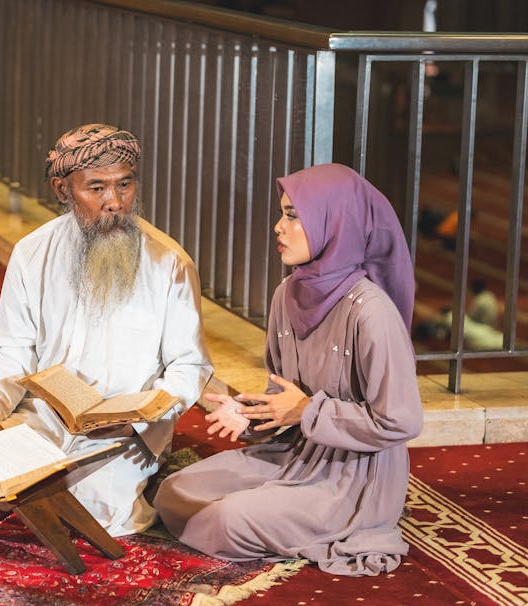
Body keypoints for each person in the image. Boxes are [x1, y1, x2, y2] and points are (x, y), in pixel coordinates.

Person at [0, 123, 213, 536]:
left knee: (99, 512)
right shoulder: (31, 253)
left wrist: (141, 418)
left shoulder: (170, 263)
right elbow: (15, 351)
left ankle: (149, 471)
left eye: (124, 185)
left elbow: (190, 366)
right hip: (43, 418)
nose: (115, 202)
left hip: (125, 433)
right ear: (62, 190)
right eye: (96, 188)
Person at [153, 163, 424, 576]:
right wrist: (248, 413)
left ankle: (318, 521)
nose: (279, 227)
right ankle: (276, 515)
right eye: (282, 214)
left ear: (335, 224)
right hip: (295, 454)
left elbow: (401, 420)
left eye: (293, 216)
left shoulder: (371, 312)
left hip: (353, 475)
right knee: (173, 493)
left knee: (227, 520)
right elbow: (284, 397)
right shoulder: (286, 294)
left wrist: (307, 411)